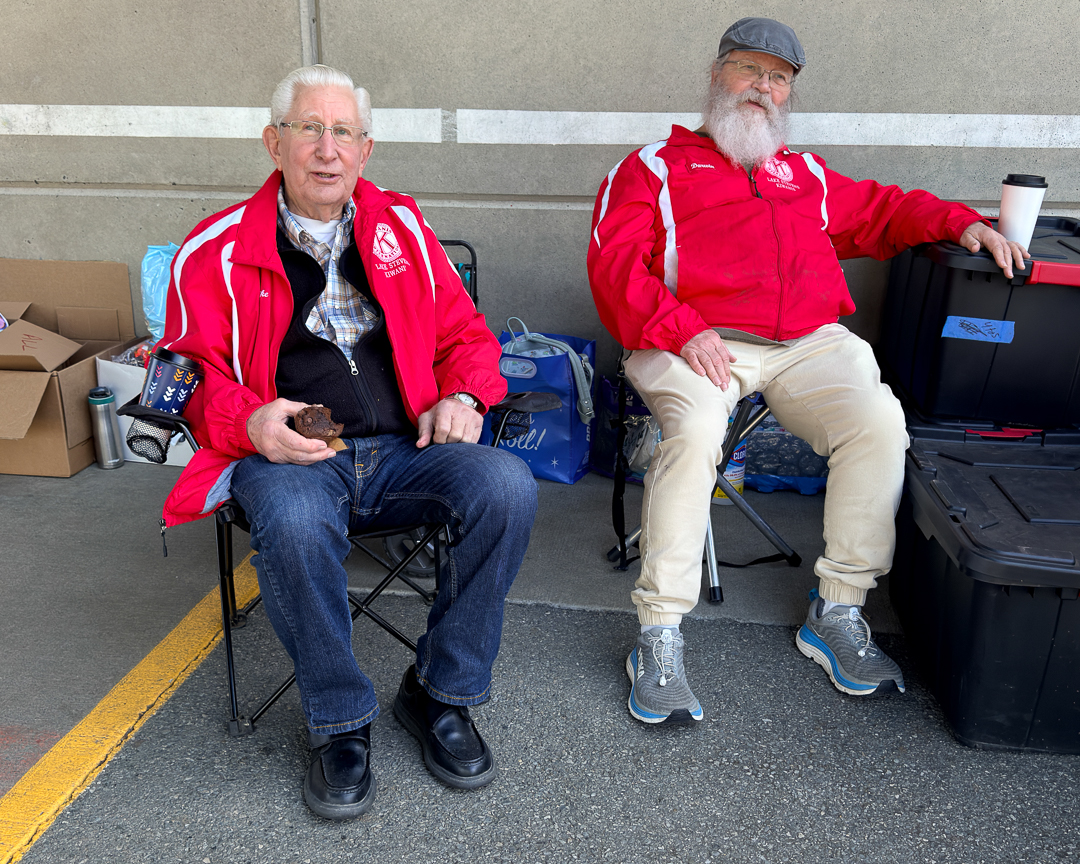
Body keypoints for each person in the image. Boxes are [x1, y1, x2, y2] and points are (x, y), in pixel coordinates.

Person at [587, 18, 1029, 725]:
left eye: (778, 78)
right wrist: (682, 328)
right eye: (749, 69)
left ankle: (838, 609)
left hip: (806, 342)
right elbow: (614, 269)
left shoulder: (803, 173)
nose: (762, 87)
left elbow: (885, 209)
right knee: (696, 434)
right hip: (692, 338)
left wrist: (960, 222)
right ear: (717, 75)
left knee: (879, 421)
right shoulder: (651, 168)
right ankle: (659, 633)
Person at [157, 65, 537, 818]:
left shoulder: (404, 230)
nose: (327, 150)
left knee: (506, 487)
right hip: (294, 456)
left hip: (405, 444)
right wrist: (251, 422)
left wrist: (465, 395)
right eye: (309, 129)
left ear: (366, 149)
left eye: (343, 132)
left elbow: (466, 335)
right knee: (296, 522)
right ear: (274, 143)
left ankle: (439, 694)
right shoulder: (214, 250)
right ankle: (339, 721)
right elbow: (182, 375)